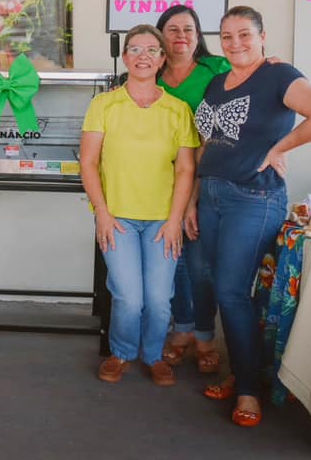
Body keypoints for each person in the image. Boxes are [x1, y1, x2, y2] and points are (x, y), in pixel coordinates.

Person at [194, 6, 311, 427]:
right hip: (213, 194)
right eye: (227, 36)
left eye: (244, 34)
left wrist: (278, 150)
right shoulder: (218, 82)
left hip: (254, 198)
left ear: (262, 37)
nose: (235, 43)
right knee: (222, 289)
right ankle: (242, 370)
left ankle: (249, 389)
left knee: (232, 291)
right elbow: (211, 141)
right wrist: (193, 198)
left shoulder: (278, 74)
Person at [80, 24, 198, 387]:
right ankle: (122, 353)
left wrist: (175, 220)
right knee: (129, 297)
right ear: (125, 56)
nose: (143, 56)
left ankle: (153, 355)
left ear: (163, 58)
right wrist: (101, 212)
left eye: (151, 50)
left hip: (163, 220)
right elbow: (88, 162)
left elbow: (186, 168)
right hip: (118, 220)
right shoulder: (104, 104)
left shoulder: (177, 110)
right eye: (135, 49)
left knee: (160, 298)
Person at [154, 5, 229, 373]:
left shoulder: (217, 72)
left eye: (188, 28)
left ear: (198, 36)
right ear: (159, 36)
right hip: (156, 185)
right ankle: (180, 331)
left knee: (200, 266)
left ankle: (204, 336)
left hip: (204, 183)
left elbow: (258, 89)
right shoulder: (147, 75)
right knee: (176, 265)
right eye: (172, 29)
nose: (180, 35)